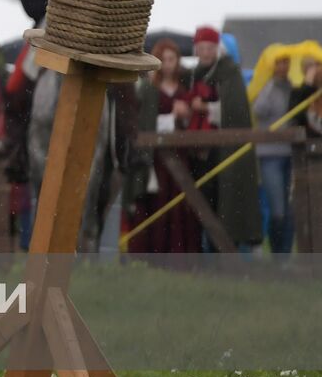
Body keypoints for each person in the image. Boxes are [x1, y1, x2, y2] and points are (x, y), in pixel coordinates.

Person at [123, 39, 201, 253]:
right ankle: (156, 253)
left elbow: (190, 124)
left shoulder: (185, 88)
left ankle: (179, 254)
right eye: (163, 60)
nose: (167, 64)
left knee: (181, 204)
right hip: (156, 158)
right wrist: (171, 116)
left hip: (181, 155)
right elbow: (145, 123)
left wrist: (187, 115)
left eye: (171, 59)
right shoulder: (149, 90)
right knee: (156, 203)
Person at [190, 26, 261, 251]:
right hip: (203, 150)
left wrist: (205, 107)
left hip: (226, 149)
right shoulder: (196, 74)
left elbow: (235, 111)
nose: (206, 52)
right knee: (206, 201)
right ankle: (209, 253)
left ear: (216, 49)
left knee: (229, 202)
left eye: (210, 48)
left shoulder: (229, 71)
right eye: (201, 48)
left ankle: (226, 252)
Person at [252, 52, 295, 255]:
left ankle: (284, 255)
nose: (283, 67)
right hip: (270, 155)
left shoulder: (292, 89)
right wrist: (270, 87)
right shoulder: (266, 88)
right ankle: (277, 253)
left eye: (287, 62)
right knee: (277, 209)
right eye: (279, 63)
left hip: (290, 153)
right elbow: (259, 111)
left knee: (289, 210)